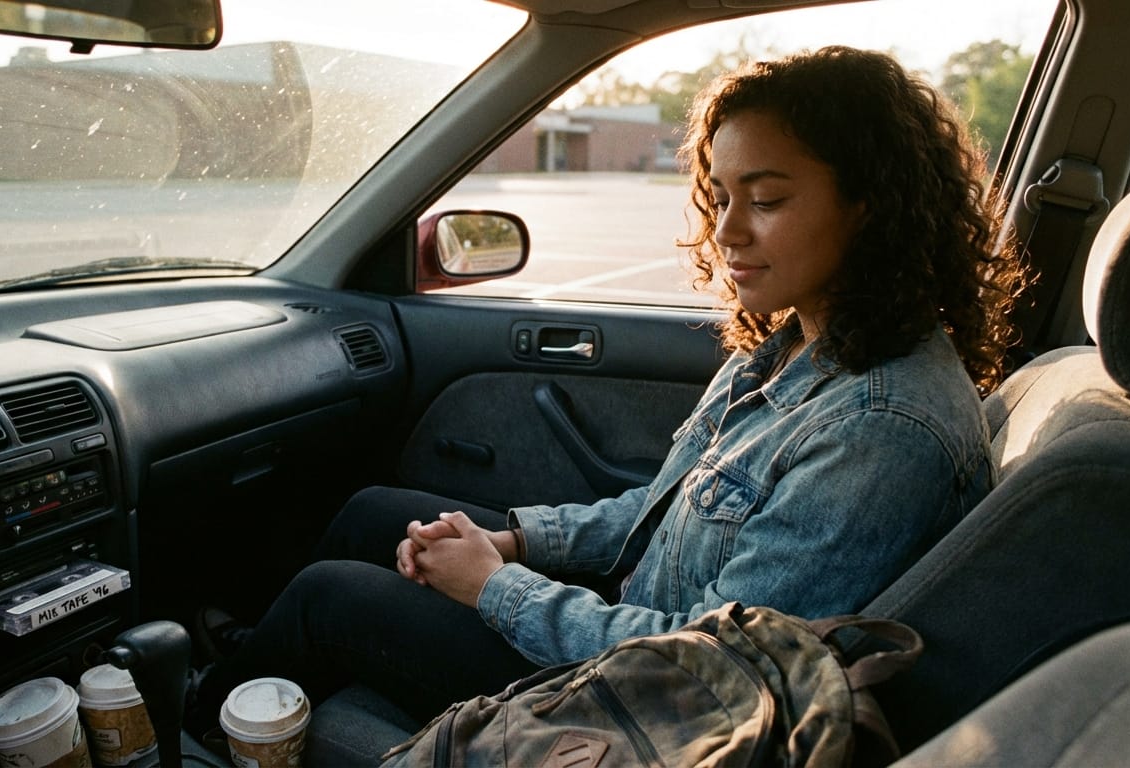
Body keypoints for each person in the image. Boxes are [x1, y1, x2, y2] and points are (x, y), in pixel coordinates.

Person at [185, 45, 1028, 736]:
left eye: (766, 199)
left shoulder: (883, 427)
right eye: (721, 196)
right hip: (632, 632)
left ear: (871, 208)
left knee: (329, 598)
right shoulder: (795, 346)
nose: (728, 232)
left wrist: (493, 586)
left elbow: (712, 666)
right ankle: (253, 662)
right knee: (376, 511)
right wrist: (514, 541)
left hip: (647, 705)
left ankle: (191, 722)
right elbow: (655, 510)